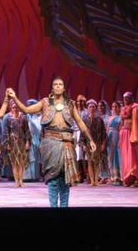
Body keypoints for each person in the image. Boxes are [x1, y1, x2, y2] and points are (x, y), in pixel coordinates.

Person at [7, 76, 97, 207]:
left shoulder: (70, 104)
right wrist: (14, 97)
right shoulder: (45, 102)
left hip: (67, 142)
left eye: (60, 84)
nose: (58, 86)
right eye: (55, 84)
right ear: (52, 88)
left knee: (66, 177)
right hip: (50, 142)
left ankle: (64, 206)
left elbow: (80, 122)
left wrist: (90, 140)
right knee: (52, 177)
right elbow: (26, 110)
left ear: (64, 88)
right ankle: (53, 207)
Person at [4, 100, 31, 188]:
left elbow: (27, 131)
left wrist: (28, 142)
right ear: (10, 108)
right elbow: (6, 132)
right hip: (12, 142)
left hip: (22, 142)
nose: (15, 109)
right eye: (13, 107)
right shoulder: (8, 119)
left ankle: (21, 181)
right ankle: (16, 181)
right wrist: (7, 143)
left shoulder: (23, 118)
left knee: (21, 162)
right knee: (14, 163)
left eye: (16, 107)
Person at [79, 99, 107, 186]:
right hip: (88, 143)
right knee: (90, 162)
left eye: (93, 107)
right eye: (90, 107)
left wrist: (103, 144)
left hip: (97, 143)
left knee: (97, 162)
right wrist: (83, 144)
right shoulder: (85, 119)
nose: (92, 108)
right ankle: (92, 181)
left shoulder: (99, 120)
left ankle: (96, 180)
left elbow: (103, 132)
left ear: (95, 108)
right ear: (88, 108)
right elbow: (83, 133)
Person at [119, 91, 138, 187]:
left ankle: (135, 178)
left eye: (127, 97)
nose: (125, 99)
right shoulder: (123, 109)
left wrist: (135, 135)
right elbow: (121, 122)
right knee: (125, 158)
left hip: (132, 133)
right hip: (123, 134)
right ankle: (128, 179)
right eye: (124, 98)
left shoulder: (135, 107)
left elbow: (135, 122)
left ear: (132, 98)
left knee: (132, 157)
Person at [106, 101, 122, 185]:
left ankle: (118, 177)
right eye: (113, 106)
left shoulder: (120, 118)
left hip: (117, 136)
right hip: (109, 138)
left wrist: (120, 140)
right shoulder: (109, 118)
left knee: (117, 156)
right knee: (110, 157)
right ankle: (111, 177)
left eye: (116, 106)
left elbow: (120, 129)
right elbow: (107, 129)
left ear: (119, 108)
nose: (114, 108)